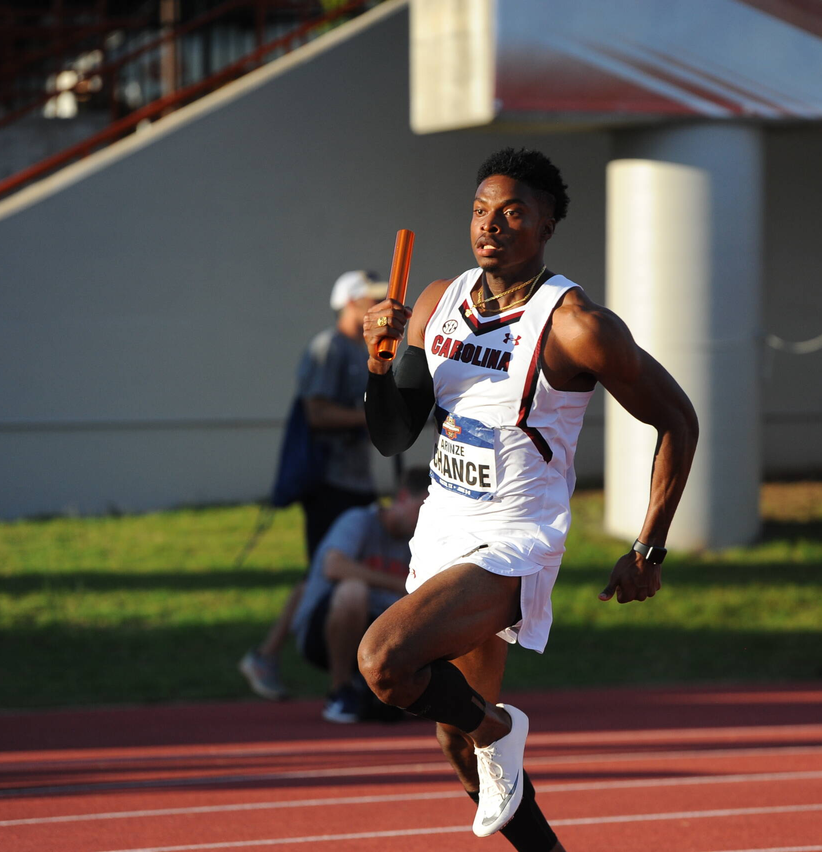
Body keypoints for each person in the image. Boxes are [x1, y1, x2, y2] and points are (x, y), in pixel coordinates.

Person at [358, 148, 699, 848]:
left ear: (547, 225)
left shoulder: (576, 324)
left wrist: (649, 548)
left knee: (384, 661)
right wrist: (378, 363)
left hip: (517, 538)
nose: (492, 225)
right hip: (443, 528)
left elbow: (678, 421)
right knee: (455, 741)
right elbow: (393, 435)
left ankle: (498, 727)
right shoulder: (437, 302)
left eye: (513, 213)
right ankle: (500, 755)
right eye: (481, 211)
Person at [239, 270, 388, 701]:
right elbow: (316, 413)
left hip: (356, 481)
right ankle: (270, 656)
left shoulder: (365, 349)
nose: (379, 307)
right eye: (372, 300)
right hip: (328, 483)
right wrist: (370, 417)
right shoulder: (328, 348)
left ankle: (340, 670)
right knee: (325, 573)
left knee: (335, 572)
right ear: (351, 303)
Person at [291, 467, 430, 722]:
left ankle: (419, 692)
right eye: (424, 508)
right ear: (402, 497)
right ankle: (340, 691)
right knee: (352, 591)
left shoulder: (422, 542)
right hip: (324, 634)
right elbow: (334, 566)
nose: (428, 519)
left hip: (383, 637)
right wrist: (398, 584)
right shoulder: (359, 520)